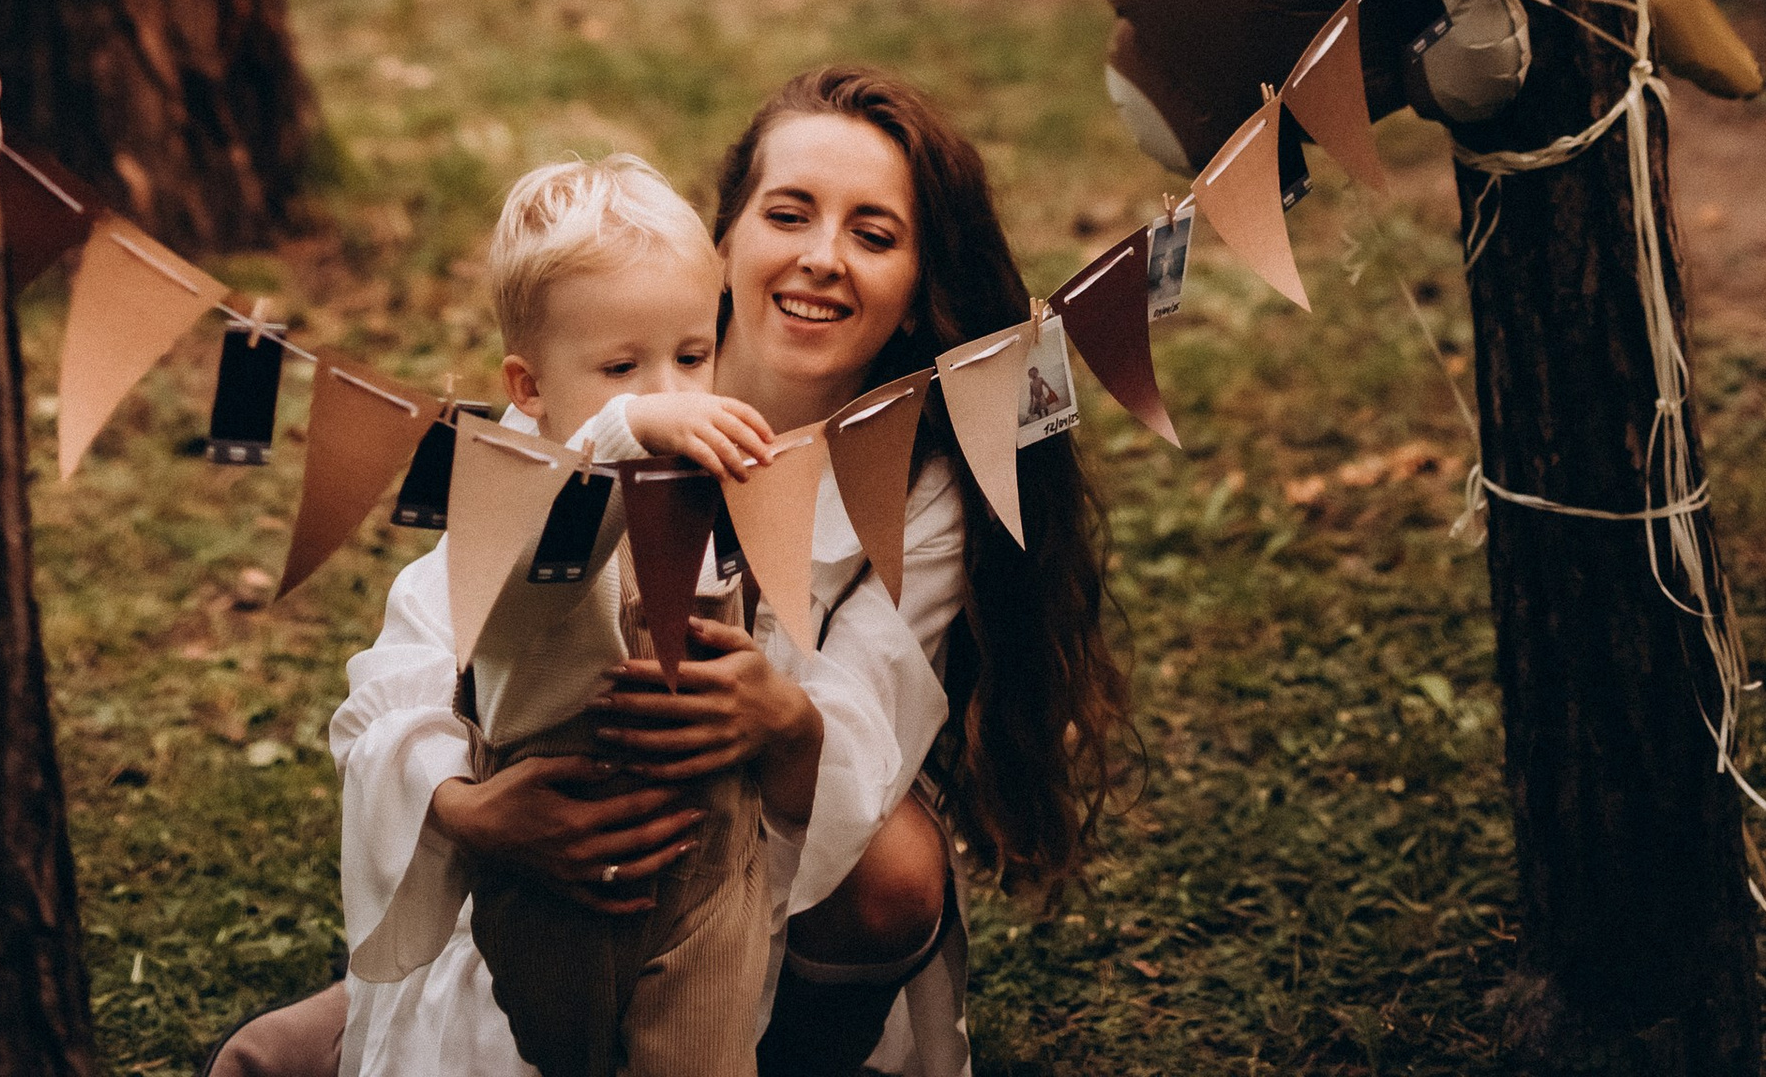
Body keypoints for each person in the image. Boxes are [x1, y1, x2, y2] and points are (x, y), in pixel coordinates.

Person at [203, 64, 1129, 1077]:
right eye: (788, 214)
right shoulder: (597, 382)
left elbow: (876, 713)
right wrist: (467, 812)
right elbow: (431, 631)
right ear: (724, 242)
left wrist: (781, 720)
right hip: (552, 830)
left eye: (873, 235)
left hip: (757, 862)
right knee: (306, 1052)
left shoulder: (923, 477)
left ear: (917, 294)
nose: (822, 258)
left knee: (898, 870)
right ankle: (403, 1006)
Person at [458, 154, 809, 1077]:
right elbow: (527, 586)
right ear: (529, 388)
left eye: (692, 357)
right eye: (622, 368)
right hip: (561, 873)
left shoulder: (701, 475)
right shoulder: (515, 493)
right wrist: (620, 439)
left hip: (710, 857)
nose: (672, 396)